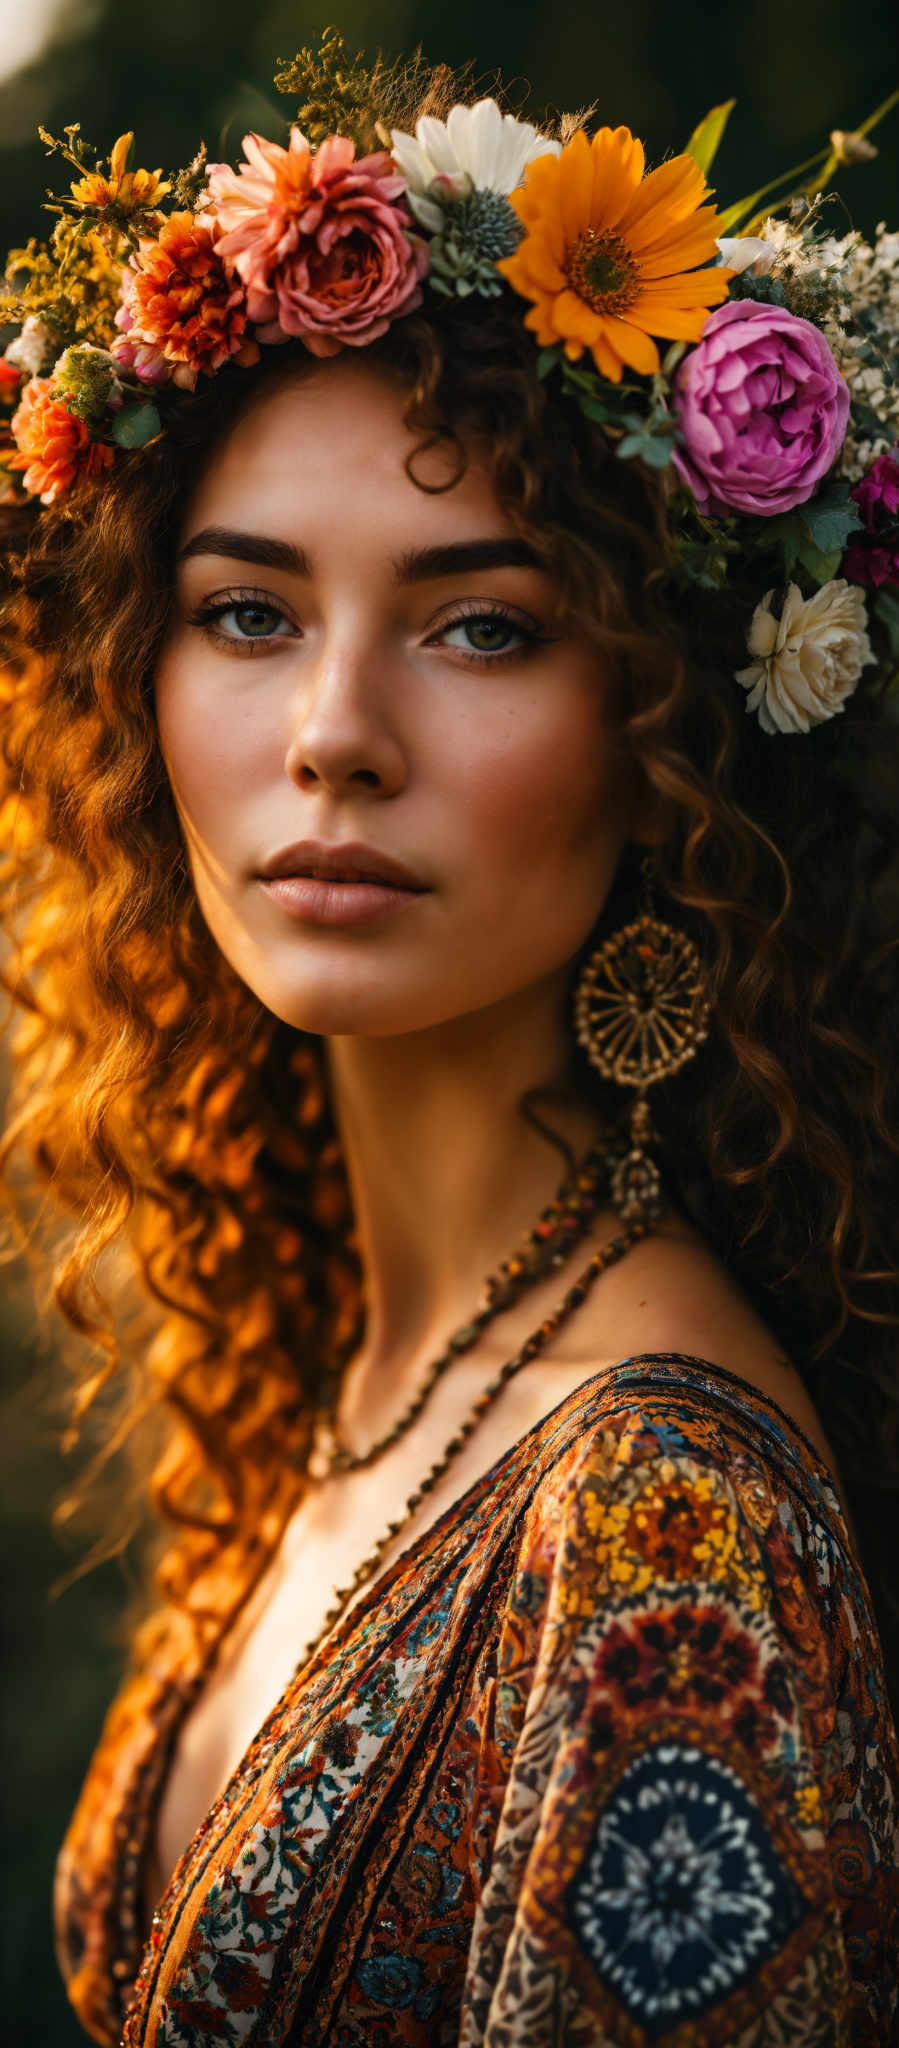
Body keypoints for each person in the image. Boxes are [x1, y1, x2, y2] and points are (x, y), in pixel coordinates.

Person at [1, 38, 898, 2047]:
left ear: (670, 734)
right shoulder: (352, 1353)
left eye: (481, 623)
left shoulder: (670, 1506)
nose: (333, 729)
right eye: (245, 611)